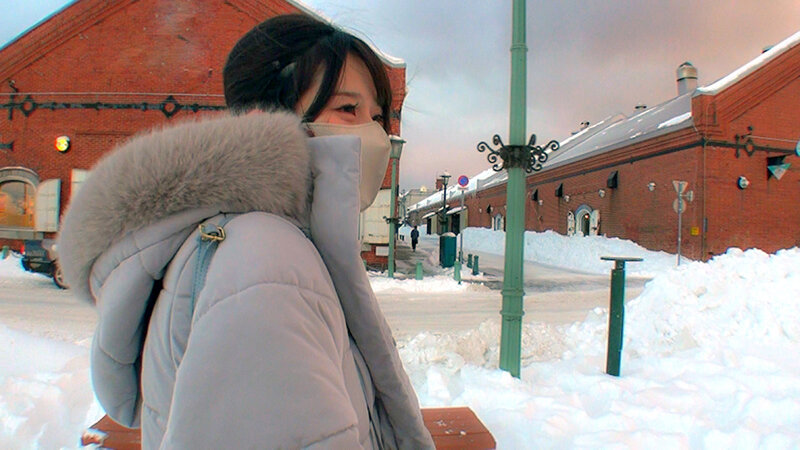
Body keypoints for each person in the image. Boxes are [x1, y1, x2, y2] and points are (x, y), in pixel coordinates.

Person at [58, 14, 434, 449]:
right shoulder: (263, 261)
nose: (374, 134)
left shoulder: (269, 244)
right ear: (264, 119)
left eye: (378, 117)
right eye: (347, 109)